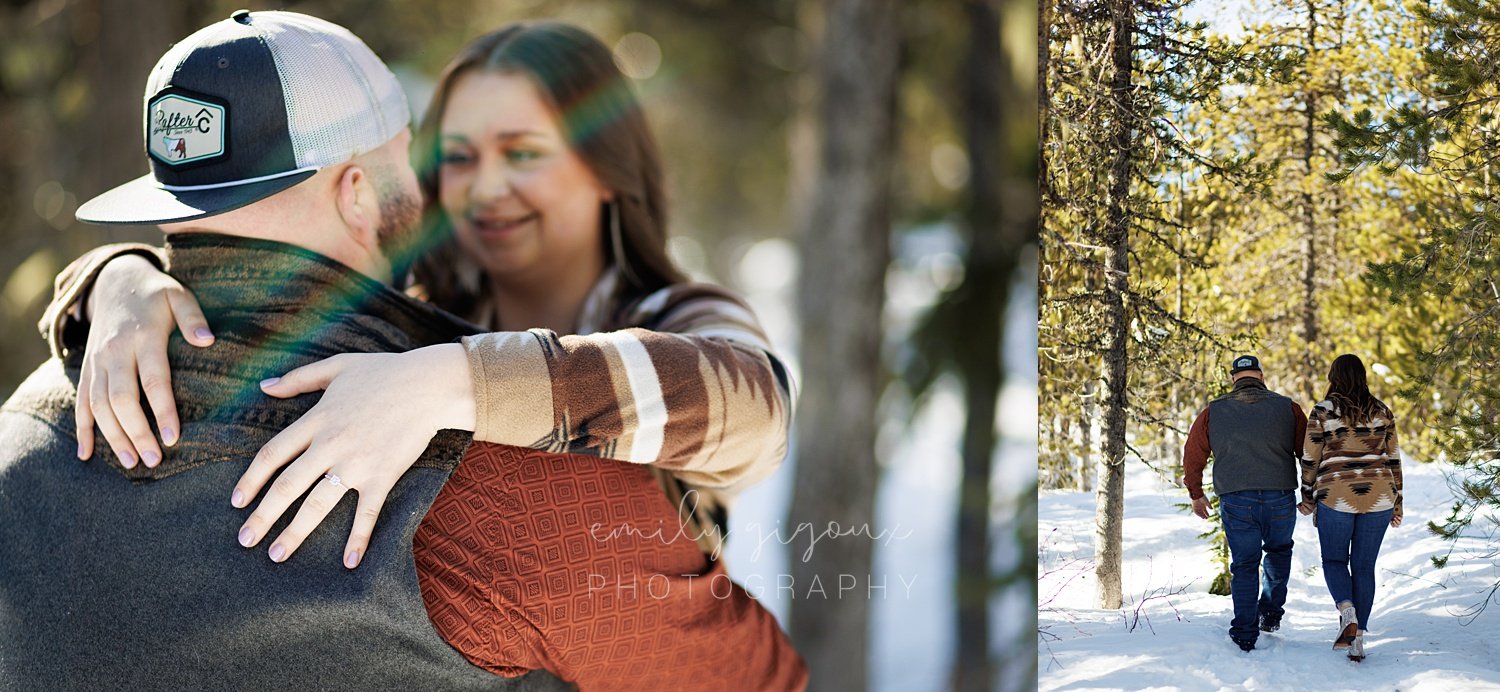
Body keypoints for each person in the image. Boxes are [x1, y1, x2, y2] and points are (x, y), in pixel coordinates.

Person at [13, 12, 806, 689]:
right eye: (454, 156)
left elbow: (759, 399)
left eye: (523, 151)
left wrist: (455, 381)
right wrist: (117, 279)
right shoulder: (432, 295)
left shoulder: (667, 311)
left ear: (607, 169)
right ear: (366, 191)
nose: (483, 186)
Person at [1181, 355, 1308, 652]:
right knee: (1279, 552)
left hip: (1237, 498)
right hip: (1280, 496)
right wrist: (1310, 493)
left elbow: (1193, 453)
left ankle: (1244, 633)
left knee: (1245, 564)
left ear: (1233, 378)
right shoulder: (1287, 407)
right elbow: (1308, 452)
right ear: (1261, 376)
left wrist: (1195, 493)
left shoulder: (1214, 411)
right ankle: (1271, 613)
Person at [1298, 353, 1403, 662]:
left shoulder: (1322, 411)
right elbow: (1393, 458)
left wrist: (1307, 495)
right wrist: (1398, 501)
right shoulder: (1382, 411)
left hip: (1336, 495)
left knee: (1333, 560)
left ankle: (1347, 611)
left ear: (1334, 376)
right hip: (1380, 495)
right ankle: (1357, 641)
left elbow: (1310, 459)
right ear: (1363, 376)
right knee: (1363, 566)